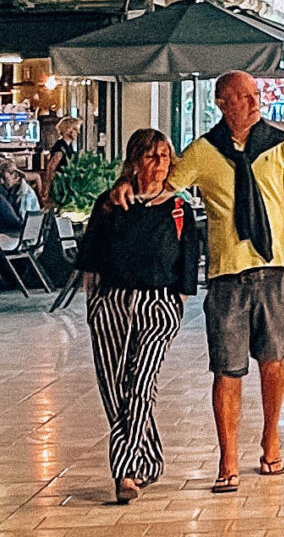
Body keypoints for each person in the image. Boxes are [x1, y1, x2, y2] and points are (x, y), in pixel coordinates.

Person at [157, 71, 284, 491]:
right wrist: (124, 189)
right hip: (226, 273)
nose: (253, 103)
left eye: (255, 96)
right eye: (244, 97)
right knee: (226, 369)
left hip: (274, 267)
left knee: (273, 360)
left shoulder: (282, 145)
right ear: (222, 102)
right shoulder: (203, 151)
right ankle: (227, 455)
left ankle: (271, 438)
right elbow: (163, 189)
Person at [76, 129, 204, 504]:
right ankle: (150, 457)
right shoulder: (111, 204)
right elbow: (92, 259)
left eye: (165, 156)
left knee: (142, 382)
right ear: (135, 162)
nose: (160, 163)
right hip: (112, 303)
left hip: (158, 304)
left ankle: (126, 471)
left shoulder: (179, 208)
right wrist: (93, 305)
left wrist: (178, 300)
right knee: (115, 388)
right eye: (152, 156)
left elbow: (187, 259)